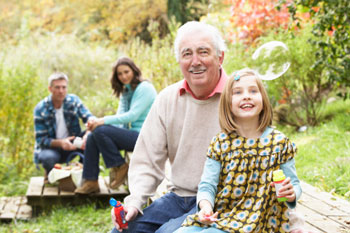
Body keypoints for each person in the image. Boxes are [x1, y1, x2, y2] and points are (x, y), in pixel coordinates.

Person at [111, 21, 228, 233]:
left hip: (221, 201)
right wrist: (134, 201)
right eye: (187, 54)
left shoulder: (238, 96)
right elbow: (147, 158)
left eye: (203, 52)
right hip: (179, 196)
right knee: (124, 231)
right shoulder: (167, 98)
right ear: (179, 61)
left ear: (220, 57)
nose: (195, 61)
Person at [175, 68, 302, 232]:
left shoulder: (279, 143)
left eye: (253, 91)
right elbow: (207, 185)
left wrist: (291, 194)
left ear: (263, 99)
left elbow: (295, 185)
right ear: (228, 103)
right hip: (224, 216)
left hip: (260, 223)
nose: (246, 96)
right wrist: (205, 207)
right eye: (238, 92)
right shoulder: (220, 143)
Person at [75, 57, 157, 194]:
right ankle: (91, 182)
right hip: (134, 136)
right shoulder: (126, 91)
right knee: (93, 136)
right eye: (120, 74)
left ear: (134, 71)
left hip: (147, 137)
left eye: (126, 72)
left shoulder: (145, 88)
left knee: (100, 130)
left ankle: (119, 165)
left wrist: (101, 121)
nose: (124, 76)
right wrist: (95, 128)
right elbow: (120, 120)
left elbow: (133, 115)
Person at [33, 72, 94, 182]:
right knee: (48, 158)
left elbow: (90, 119)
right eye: (57, 87)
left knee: (92, 137)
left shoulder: (73, 101)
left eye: (64, 87)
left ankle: (84, 174)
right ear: (50, 89)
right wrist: (61, 143)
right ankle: (51, 174)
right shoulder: (40, 108)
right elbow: (40, 139)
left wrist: (87, 134)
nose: (61, 91)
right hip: (51, 148)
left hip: (73, 143)